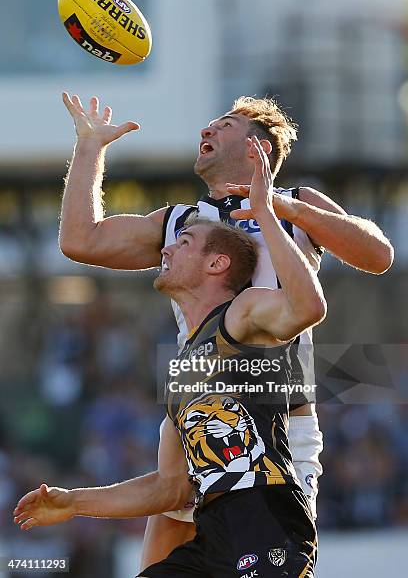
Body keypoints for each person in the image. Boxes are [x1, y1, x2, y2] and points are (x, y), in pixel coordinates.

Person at [58, 92, 393, 569]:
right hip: (198, 416)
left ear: (260, 147)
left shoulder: (296, 205)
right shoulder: (180, 224)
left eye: (224, 125)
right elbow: (80, 240)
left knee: (269, 559)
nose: (206, 131)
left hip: (278, 424)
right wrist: (91, 147)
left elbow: (378, 256)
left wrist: (281, 209)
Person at [14, 137, 327, 577]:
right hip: (215, 535)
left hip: (267, 526)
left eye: (183, 242)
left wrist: (269, 213)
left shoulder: (241, 317)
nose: (166, 247)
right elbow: (169, 488)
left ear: (217, 264)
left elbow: (309, 307)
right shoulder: (183, 370)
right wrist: (74, 501)